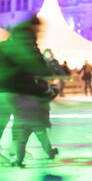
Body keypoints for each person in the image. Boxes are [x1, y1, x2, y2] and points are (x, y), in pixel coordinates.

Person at [0, 16, 60, 168]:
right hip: (12, 90)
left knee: (10, 122)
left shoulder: (7, 43)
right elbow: (38, 66)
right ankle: (17, 152)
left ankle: (16, 151)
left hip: (8, 90)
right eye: (38, 30)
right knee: (22, 122)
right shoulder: (23, 43)